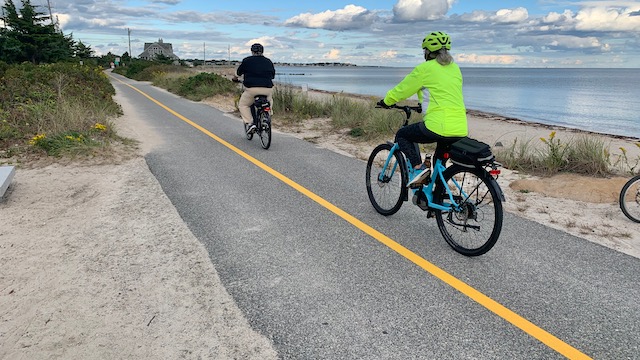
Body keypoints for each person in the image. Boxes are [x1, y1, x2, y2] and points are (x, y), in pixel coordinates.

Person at [378, 31, 468, 187]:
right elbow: (444, 93)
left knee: (402, 135)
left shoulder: (425, 68)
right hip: (460, 127)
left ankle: (418, 169)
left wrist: (386, 101)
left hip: (438, 126)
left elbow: (403, 89)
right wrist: (424, 105)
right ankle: (436, 203)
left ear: (428, 52)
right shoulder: (455, 68)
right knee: (439, 164)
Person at [233, 43, 276, 135]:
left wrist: (235, 78)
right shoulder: (268, 61)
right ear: (262, 51)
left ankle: (249, 123)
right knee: (269, 100)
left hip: (252, 89)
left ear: (252, 51)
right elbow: (272, 76)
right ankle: (266, 116)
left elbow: (238, 73)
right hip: (267, 88)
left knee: (243, 105)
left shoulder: (247, 61)